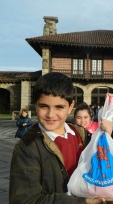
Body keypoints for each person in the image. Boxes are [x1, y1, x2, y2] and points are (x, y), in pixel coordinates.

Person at [9, 72, 106, 204]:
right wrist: (82, 202)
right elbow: (26, 200)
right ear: (35, 104)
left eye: (59, 107)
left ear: (71, 107)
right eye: (43, 106)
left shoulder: (81, 134)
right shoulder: (27, 147)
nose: (50, 114)